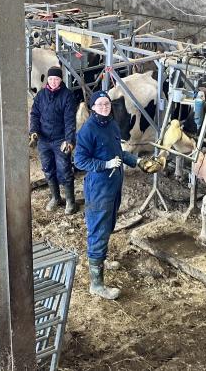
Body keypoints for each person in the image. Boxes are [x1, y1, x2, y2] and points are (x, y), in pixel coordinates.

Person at [74, 90, 159, 300]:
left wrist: (137, 161)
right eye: (100, 104)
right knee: (98, 230)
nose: (104, 107)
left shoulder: (111, 124)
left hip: (114, 186)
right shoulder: (88, 130)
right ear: (93, 107)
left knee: (109, 224)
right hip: (99, 188)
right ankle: (97, 284)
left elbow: (119, 153)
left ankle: (101, 259)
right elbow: (80, 161)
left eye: (107, 104)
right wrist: (105, 164)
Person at [29, 66, 78, 214]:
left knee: (64, 170)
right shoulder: (41, 95)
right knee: (48, 169)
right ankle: (56, 198)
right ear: (47, 80)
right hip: (44, 140)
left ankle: (70, 201)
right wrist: (34, 131)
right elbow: (35, 115)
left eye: (56, 79)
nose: (53, 82)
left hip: (60, 140)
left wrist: (69, 140)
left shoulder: (67, 96)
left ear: (61, 79)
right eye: (51, 79)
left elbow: (70, 120)